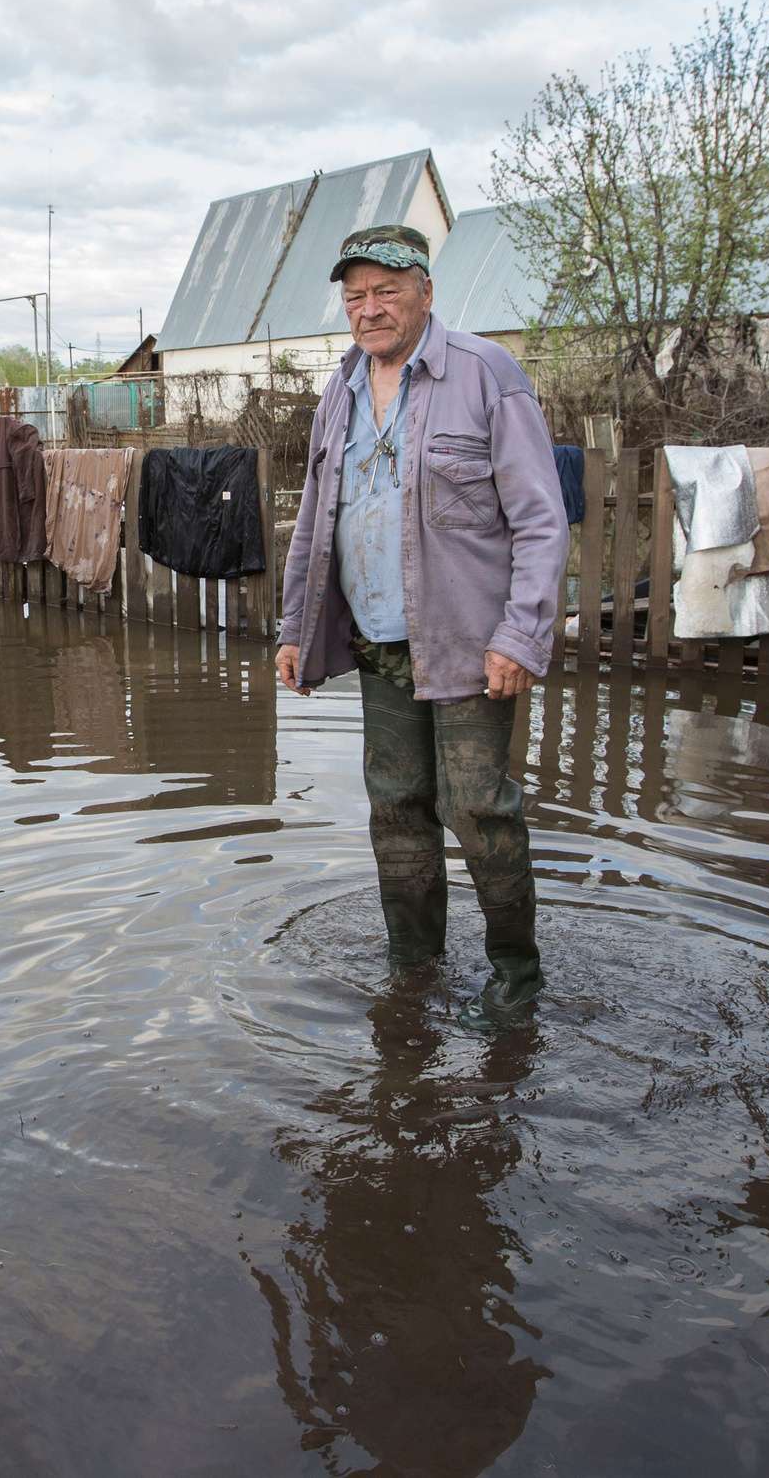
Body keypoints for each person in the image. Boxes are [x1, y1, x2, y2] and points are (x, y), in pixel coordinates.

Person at [275, 224, 570, 1019]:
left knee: (478, 807)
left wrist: (521, 633)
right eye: (355, 295)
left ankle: (516, 980)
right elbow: (315, 519)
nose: (369, 308)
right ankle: (414, 969)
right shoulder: (339, 390)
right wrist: (295, 627)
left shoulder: (486, 373)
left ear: (426, 292)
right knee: (397, 806)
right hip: (379, 643)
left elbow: (541, 520)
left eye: (387, 290)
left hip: (472, 645)